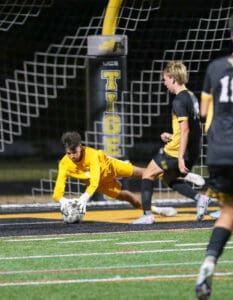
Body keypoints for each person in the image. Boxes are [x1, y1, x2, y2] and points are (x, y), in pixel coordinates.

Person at [132, 61, 214, 224]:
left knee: (148, 174)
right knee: (168, 179)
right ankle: (200, 198)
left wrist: (181, 157)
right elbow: (195, 126)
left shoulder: (178, 101)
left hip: (176, 151)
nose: (164, 83)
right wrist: (173, 135)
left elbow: (185, 130)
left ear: (173, 79)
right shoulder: (191, 96)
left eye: (165, 79)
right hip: (192, 148)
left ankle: (147, 215)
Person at [53, 131, 178, 222]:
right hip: (103, 184)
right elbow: (58, 190)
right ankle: (158, 210)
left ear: (80, 146)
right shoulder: (64, 163)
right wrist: (62, 201)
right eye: (68, 153)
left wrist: (84, 198)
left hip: (111, 167)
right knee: (128, 198)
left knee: (146, 173)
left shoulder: (91, 155)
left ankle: (180, 175)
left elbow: (94, 180)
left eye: (74, 152)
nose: (72, 156)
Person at [195, 15, 233, 300]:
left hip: (219, 151)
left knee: (229, 212)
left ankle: (209, 261)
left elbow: (205, 114)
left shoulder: (215, 67)